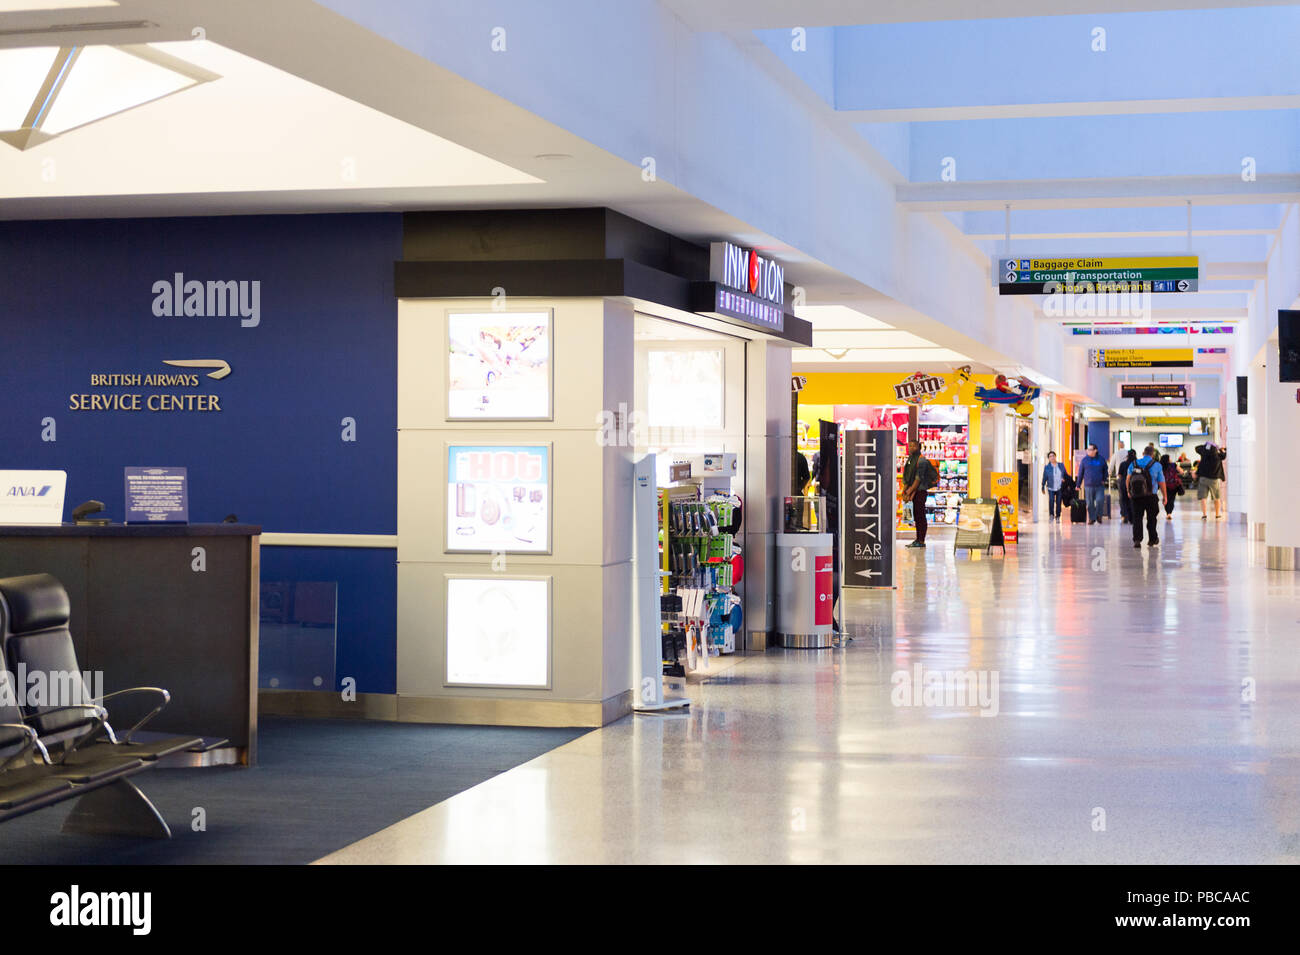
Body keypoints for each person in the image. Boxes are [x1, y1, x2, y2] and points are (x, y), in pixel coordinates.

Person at [1128, 444, 1167, 548]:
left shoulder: (1134, 463)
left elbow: (1128, 479)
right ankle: (1152, 539)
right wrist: (1165, 496)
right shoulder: (1157, 465)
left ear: (1143, 453)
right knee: (1152, 518)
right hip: (1151, 496)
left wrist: (1129, 491)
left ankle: (1137, 540)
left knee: (1137, 518)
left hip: (1136, 496)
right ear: (1152, 454)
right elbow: (1161, 482)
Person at [901, 439, 937, 548]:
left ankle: (921, 540)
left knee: (920, 516)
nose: (911, 448)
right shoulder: (911, 459)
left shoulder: (921, 461)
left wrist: (909, 491)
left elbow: (918, 479)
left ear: (919, 447)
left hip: (920, 492)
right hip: (913, 491)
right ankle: (918, 539)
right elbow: (907, 477)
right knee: (916, 516)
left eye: (914, 446)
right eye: (910, 446)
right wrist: (905, 490)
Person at [1075, 444, 1109, 524]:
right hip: (1088, 485)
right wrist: (1078, 485)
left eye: (1090, 449)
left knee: (1100, 501)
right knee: (1090, 503)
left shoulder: (1101, 459)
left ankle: (1098, 515)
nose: (1088, 451)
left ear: (1095, 450)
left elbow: (1105, 471)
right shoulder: (1084, 460)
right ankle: (1091, 518)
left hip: (1099, 485)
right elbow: (1080, 473)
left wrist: (1104, 479)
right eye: (1088, 449)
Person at [1194, 442, 1227, 520]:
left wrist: (1206, 445)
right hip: (1214, 479)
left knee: (1203, 497)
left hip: (1203, 478)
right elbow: (1224, 454)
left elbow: (1197, 447)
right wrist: (1219, 448)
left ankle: (1204, 514)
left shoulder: (1203, 453)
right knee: (1217, 497)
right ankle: (1217, 514)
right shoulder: (1218, 456)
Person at [1041, 451, 1066, 522]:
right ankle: (1051, 515)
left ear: (1055, 456)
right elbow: (1044, 477)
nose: (1052, 457)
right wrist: (1042, 486)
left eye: (1053, 456)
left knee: (1058, 502)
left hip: (1059, 487)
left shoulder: (1061, 465)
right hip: (1051, 487)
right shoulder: (1047, 467)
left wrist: (1064, 479)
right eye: (1050, 456)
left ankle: (1058, 516)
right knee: (1051, 500)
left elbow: (1065, 474)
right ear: (1048, 458)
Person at [1160, 453, 1183, 519]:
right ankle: (1169, 513)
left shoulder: (1161, 466)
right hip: (1174, 485)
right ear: (1168, 459)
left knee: (1166, 498)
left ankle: (1167, 512)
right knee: (1172, 499)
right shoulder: (1173, 465)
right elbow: (1181, 471)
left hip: (1164, 485)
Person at [1116, 449, 1136, 525]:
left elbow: (1119, 475)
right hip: (1134, 484)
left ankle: (1125, 516)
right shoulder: (1136, 464)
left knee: (1123, 500)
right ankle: (1132, 517)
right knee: (1132, 500)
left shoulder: (1123, 464)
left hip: (1124, 483)